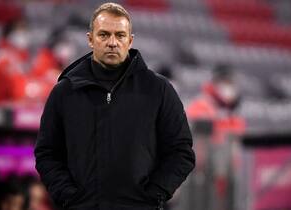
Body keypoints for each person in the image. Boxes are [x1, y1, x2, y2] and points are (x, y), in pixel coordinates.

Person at [34, 3, 195, 210]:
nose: (112, 43)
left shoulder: (159, 90)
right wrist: (67, 195)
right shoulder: (65, 92)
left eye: (120, 35)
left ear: (130, 40)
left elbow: (181, 152)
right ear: (90, 39)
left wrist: (155, 193)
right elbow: (47, 152)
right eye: (104, 35)